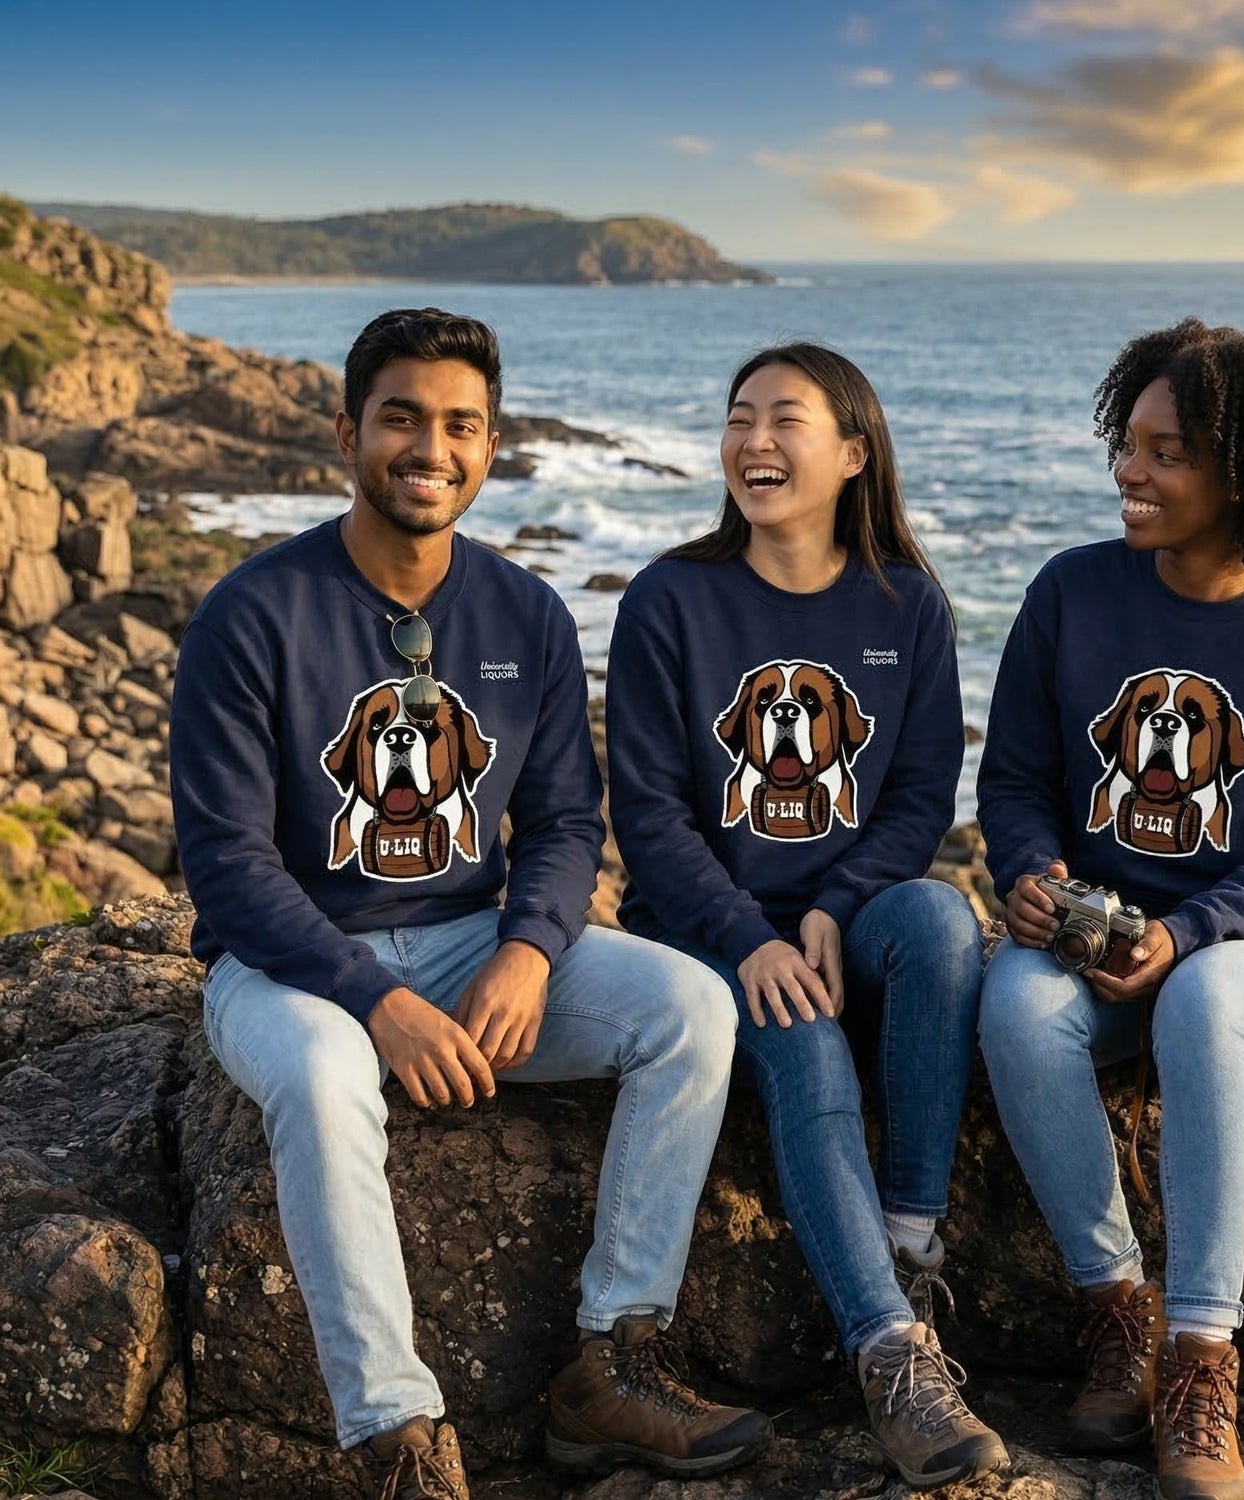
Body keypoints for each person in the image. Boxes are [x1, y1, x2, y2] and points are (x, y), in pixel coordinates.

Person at [170, 308, 772, 1500]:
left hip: (467, 941)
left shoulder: (527, 613)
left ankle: (612, 1364)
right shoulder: (252, 613)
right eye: (401, 418)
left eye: (460, 425)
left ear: (491, 446)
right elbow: (228, 863)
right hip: (286, 970)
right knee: (327, 1077)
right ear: (348, 432)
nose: (430, 448)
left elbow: (562, 823)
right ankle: (395, 1438)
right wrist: (375, 1001)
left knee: (692, 1007)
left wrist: (531, 950)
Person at [977, 318, 1244, 1500]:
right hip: (1090, 934)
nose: (1130, 473)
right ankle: (1117, 1311)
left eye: (1168, 454)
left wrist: (1183, 934)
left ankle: (1202, 1357)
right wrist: (1033, 874)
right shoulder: (1071, 591)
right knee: (1015, 1007)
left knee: (1201, 1005)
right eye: (1129, 444)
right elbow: (1014, 779)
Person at [606, 342, 1008, 1491]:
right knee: (805, 1040)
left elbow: (922, 798)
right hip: (706, 933)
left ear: (853, 453)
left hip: (849, 923)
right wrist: (749, 938)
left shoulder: (907, 605)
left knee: (940, 923)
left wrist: (836, 903)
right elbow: (649, 815)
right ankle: (890, 1358)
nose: (755, 441)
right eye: (740, 417)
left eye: (786, 419)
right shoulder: (670, 599)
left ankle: (908, 1250)